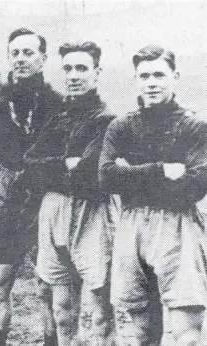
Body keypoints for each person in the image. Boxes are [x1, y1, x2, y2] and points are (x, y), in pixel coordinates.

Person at [99, 45, 207, 346]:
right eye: (144, 75)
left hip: (178, 225)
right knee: (133, 330)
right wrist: (161, 170)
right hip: (131, 225)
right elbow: (106, 177)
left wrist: (131, 174)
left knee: (186, 331)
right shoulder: (121, 127)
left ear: (175, 77)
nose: (152, 82)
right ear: (136, 80)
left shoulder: (193, 127)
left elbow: (196, 184)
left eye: (159, 74)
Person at [24, 41, 117, 346]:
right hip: (53, 212)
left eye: (82, 68)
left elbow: (89, 173)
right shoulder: (58, 118)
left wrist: (55, 169)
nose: (74, 75)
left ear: (97, 72)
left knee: (97, 311)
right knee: (62, 308)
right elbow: (30, 165)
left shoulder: (106, 119)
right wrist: (65, 164)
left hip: (91, 214)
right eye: (68, 68)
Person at [0, 28, 62, 346]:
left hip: (45, 196)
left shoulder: (57, 103)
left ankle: (52, 340)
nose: (21, 59)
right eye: (14, 53)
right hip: (9, 196)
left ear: (43, 57)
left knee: (48, 286)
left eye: (28, 52)